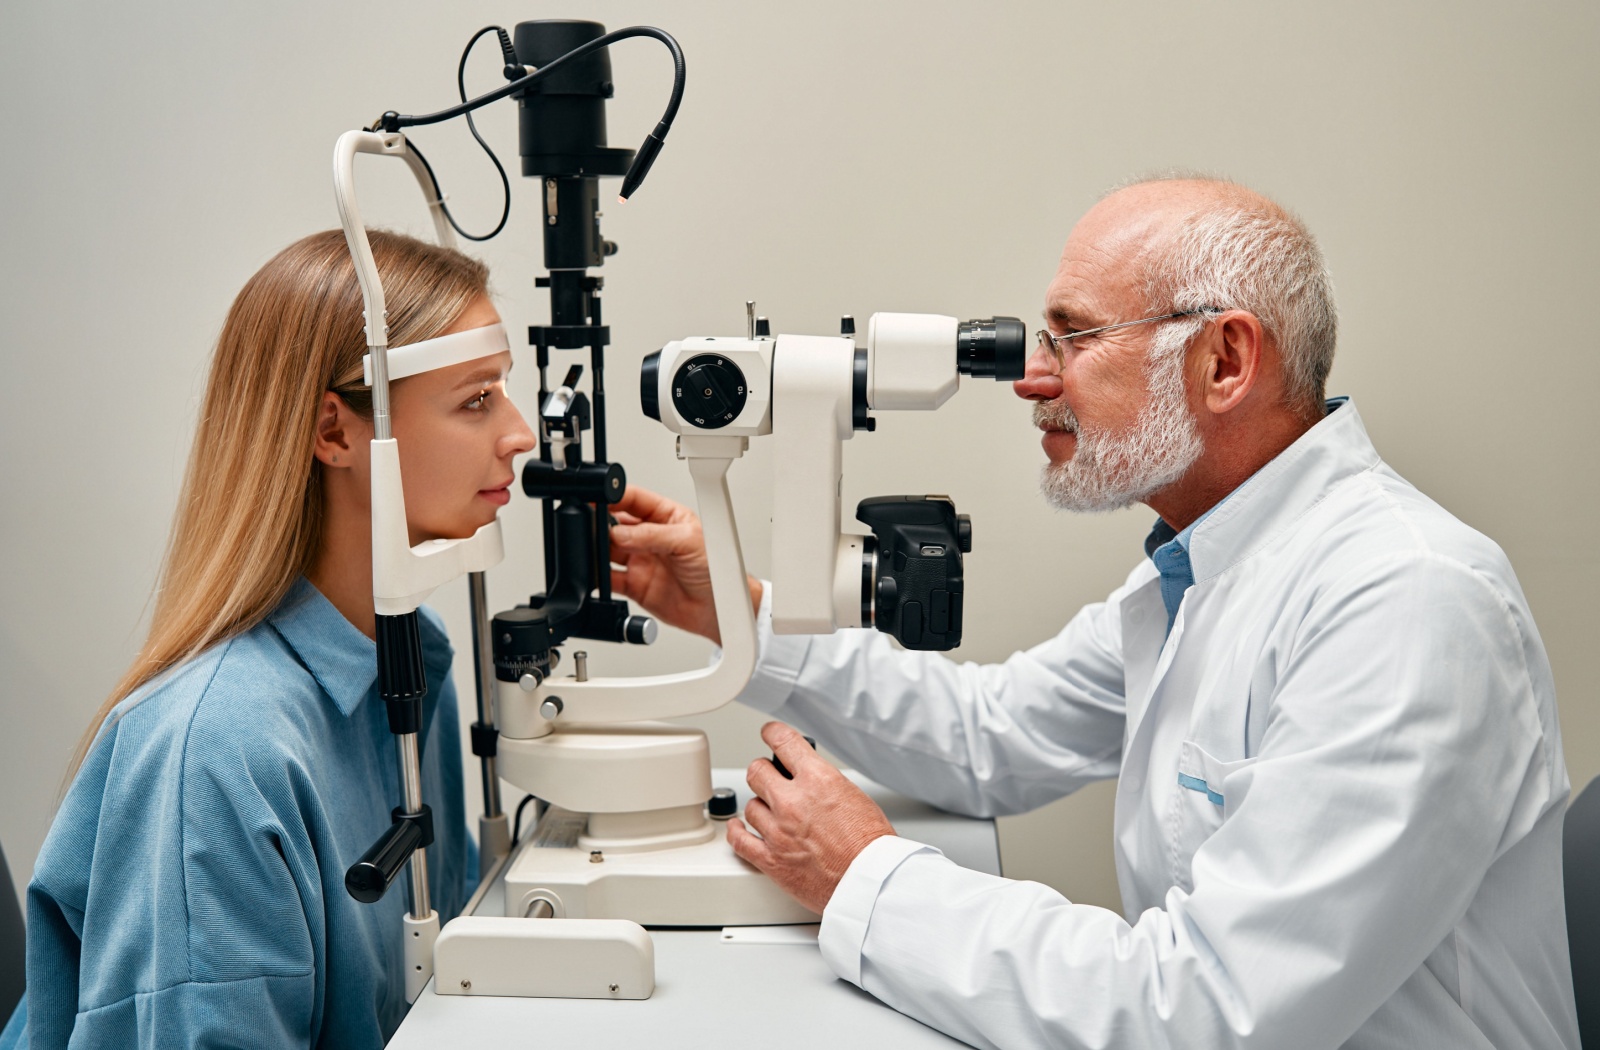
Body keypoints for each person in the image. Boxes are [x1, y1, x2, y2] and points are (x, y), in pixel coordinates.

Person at [607, 176, 1581, 1048]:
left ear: (1224, 361)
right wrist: (730, 608)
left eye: (1070, 338)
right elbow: (987, 737)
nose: (1032, 379)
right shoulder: (1203, 570)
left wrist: (863, 874)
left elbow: (1203, 1013)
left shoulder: (1403, 602)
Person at [0, 230, 536, 1049]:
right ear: (335, 432)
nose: (520, 433)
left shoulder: (411, 662)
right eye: (475, 400)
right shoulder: (219, 750)